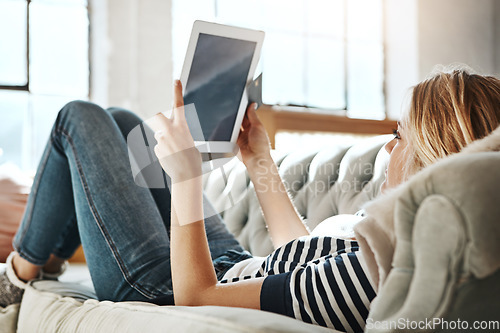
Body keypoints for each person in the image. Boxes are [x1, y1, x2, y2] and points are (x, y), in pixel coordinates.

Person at [1, 67, 499, 332]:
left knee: (80, 118)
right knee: (126, 123)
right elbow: (297, 251)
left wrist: (188, 180)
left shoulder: (376, 275)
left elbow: (197, 297)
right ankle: (35, 263)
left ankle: (17, 277)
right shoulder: (390, 240)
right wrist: (258, 157)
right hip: (232, 264)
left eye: (400, 135)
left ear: (432, 158)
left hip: (171, 286)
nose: (389, 146)